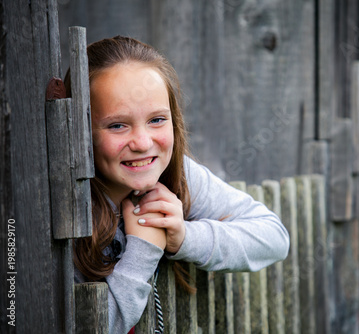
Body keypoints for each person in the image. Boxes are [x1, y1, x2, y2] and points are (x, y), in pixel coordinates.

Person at [66, 36, 289, 333]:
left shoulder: (178, 173)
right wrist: (143, 251)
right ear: (81, 129)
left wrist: (182, 238)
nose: (143, 143)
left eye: (157, 120)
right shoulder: (61, 214)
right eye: (117, 125)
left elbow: (273, 237)